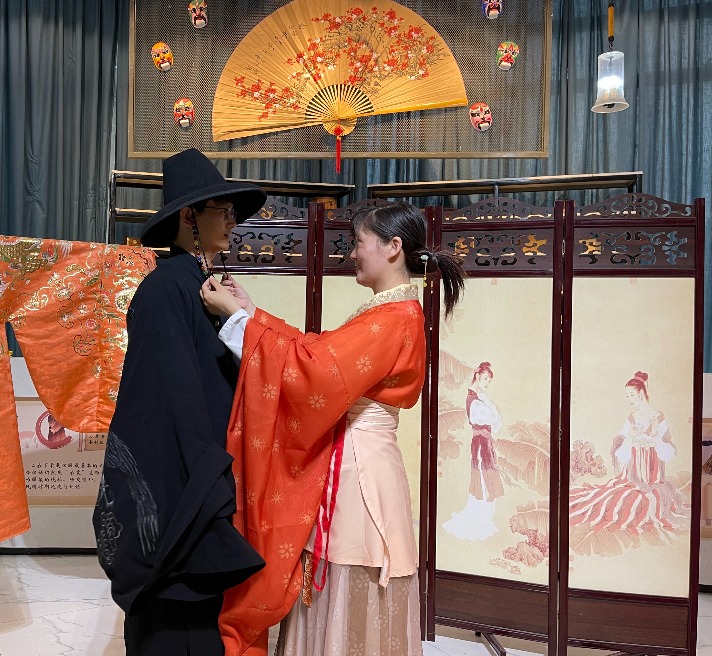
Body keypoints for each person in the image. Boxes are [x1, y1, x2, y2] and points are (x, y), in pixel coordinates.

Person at [201, 202, 466, 656]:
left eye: (358, 243)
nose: (352, 253)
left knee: (346, 576)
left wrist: (242, 323)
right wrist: (252, 313)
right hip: (357, 463)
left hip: (358, 473)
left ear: (393, 247)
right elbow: (319, 352)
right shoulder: (390, 311)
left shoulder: (395, 316)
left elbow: (318, 370)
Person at [93, 148, 266, 655]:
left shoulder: (202, 287)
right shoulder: (166, 288)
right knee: (176, 627)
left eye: (233, 211)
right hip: (179, 489)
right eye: (223, 210)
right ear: (189, 216)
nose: (233, 220)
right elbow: (168, 402)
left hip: (200, 475)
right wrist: (207, 481)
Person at [569, 371, 687, 553]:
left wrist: (655, 437)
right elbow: (621, 454)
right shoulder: (631, 419)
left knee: (651, 499)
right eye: (627, 396)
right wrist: (631, 438)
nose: (629, 399)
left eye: (631, 395)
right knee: (617, 498)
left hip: (654, 477)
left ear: (642, 393)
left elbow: (668, 453)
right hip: (632, 475)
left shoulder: (659, 418)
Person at [442, 361, 504, 541]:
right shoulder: (473, 399)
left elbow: (496, 419)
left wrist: (493, 413)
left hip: (486, 441)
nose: (487, 383)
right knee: (483, 479)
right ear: (477, 375)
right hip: (480, 443)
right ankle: (480, 522)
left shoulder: (481, 398)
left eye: (489, 381)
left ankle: (486, 521)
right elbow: (492, 417)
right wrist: (494, 414)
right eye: (485, 379)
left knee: (489, 477)